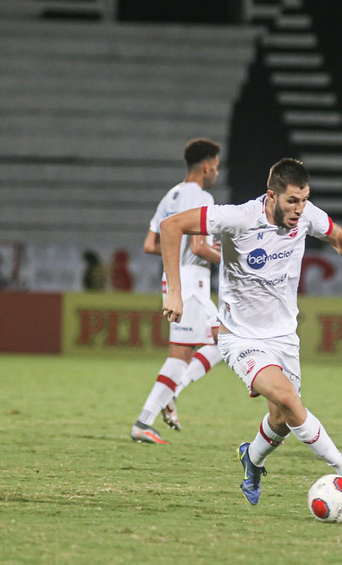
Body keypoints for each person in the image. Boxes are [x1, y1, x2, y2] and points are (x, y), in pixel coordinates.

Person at [159, 157, 342, 504]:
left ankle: (251, 459)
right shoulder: (238, 218)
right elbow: (171, 226)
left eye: (304, 200)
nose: (300, 209)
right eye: (292, 201)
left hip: (285, 337)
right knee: (289, 400)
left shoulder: (307, 215)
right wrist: (175, 291)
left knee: (283, 418)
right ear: (271, 196)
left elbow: (339, 237)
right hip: (240, 337)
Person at [130, 138, 225, 444]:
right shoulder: (203, 198)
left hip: (175, 277)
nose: (217, 174)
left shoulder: (170, 195)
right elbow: (198, 246)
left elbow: (150, 244)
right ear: (207, 166)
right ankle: (145, 420)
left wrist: (182, 251)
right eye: (217, 167)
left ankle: (169, 394)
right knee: (183, 355)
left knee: (224, 339)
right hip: (190, 282)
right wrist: (231, 256)